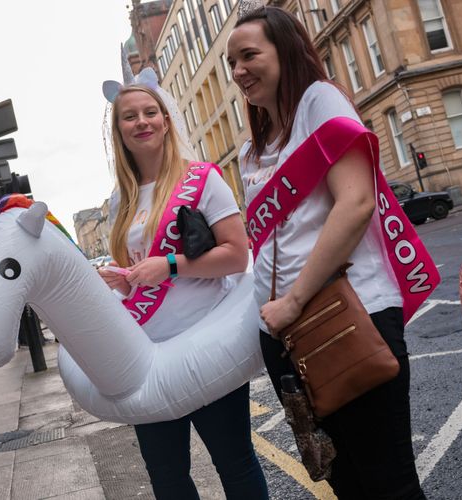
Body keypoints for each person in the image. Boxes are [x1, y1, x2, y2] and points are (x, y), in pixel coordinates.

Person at [227, 6, 427, 499]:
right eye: (232, 62)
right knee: (347, 485)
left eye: (250, 55)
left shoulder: (320, 100)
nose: (238, 71)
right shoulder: (252, 151)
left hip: (345, 315)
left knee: (389, 485)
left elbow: (356, 202)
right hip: (285, 337)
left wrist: (293, 301)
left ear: (287, 50)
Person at [97, 75, 269, 499]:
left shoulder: (202, 179)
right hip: (149, 358)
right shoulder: (123, 200)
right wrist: (124, 280)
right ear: (118, 131)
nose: (142, 121)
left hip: (205, 345)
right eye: (129, 116)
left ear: (166, 120)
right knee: (166, 477)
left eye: (150, 112)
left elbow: (237, 254)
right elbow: (142, 273)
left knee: (235, 462)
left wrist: (171, 264)